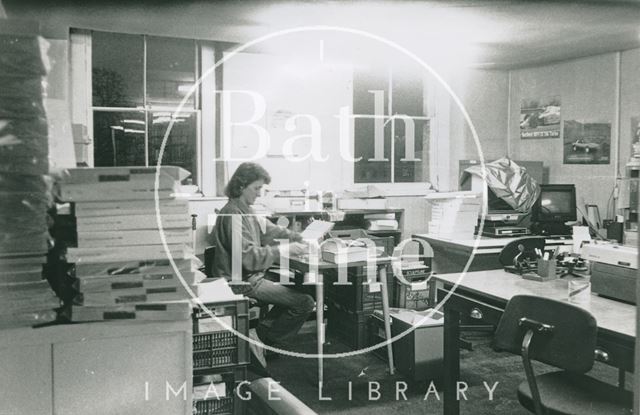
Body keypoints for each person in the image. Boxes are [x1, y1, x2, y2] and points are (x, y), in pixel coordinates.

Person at [211, 162, 315, 369]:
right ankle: (261, 339)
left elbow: (271, 230)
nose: (259, 194)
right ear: (241, 186)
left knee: (301, 287)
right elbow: (248, 258)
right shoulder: (233, 214)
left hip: (250, 276)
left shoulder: (244, 210)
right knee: (305, 302)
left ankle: (260, 336)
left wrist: (301, 237)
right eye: (256, 188)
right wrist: (286, 250)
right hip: (239, 281)